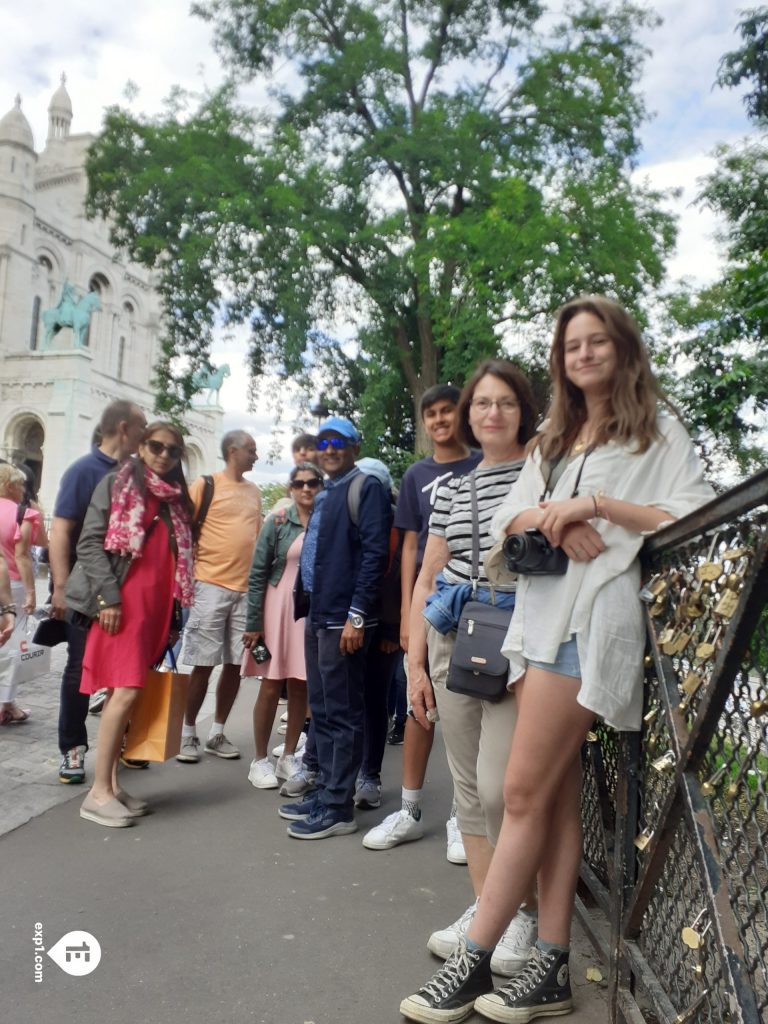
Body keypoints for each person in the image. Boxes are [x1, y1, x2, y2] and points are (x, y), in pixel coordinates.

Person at [400, 296, 716, 1024]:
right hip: (539, 620)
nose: (583, 354)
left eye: (596, 341)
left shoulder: (656, 430)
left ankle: (475, 956)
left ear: (622, 347)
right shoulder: (557, 436)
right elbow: (511, 517)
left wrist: (598, 507)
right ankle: (549, 967)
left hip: (593, 623)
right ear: (560, 358)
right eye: (571, 344)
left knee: (518, 793)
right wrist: (551, 515)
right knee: (553, 797)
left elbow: (692, 516)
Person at [393, 361, 540, 982]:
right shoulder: (451, 488)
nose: (492, 413)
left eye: (506, 402)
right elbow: (428, 576)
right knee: (468, 788)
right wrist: (416, 662)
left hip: (516, 643)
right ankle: (488, 912)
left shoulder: (542, 475)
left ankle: (523, 915)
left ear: (523, 411)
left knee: (505, 784)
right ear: (468, 414)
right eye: (483, 403)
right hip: (453, 640)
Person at [362, 384, 480, 857]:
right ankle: (409, 810)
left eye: (446, 411)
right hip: (429, 600)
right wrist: (409, 615)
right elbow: (410, 544)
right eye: (429, 414)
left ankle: (461, 817)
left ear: (460, 414)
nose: (438, 420)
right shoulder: (417, 474)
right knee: (419, 703)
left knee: (465, 710)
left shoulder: (482, 463)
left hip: (475, 602)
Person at [66, 422, 195, 827]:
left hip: (154, 609)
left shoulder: (174, 500)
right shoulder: (118, 483)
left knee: (131, 697)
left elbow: (175, 562)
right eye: (156, 446)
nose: (163, 454)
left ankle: (113, 785)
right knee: (123, 693)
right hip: (122, 604)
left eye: (172, 451)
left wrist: (175, 614)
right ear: (141, 446)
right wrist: (108, 598)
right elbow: (88, 542)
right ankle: (97, 793)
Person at [278, 416, 392, 840]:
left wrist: (357, 615)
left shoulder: (368, 488)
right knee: (322, 710)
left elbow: (375, 555)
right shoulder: (328, 491)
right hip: (318, 616)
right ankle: (327, 789)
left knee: (342, 712)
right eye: (323, 441)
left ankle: (339, 807)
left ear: (354, 446)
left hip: (343, 619)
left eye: (338, 441)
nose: (328, 448)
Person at [50, 400, 148, 782]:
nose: (146, 433)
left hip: (129, 595)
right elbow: (61, 530)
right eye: (142, 427)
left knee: (123, 672)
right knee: (79, 670)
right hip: (86, 592)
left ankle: (122, 742)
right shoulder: (84, 471)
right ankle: (72, 749)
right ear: (124, 428)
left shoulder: (139, 474)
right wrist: (59, 587)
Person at [177, 430, 262, 763]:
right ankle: (188, 734)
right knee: (202, 663)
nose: (256, 456)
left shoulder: (254, 492)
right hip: (208, 585)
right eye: (251, 450)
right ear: (233, 451)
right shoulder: (205, 485)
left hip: (245, 590)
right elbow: (184, 532)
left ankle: (217, 732)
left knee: (234, 664)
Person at [242, 461, 323, 789]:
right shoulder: (277, 520)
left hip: (308, 612)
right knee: (272, 683)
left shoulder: (325, 521)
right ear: (291, 487)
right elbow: (258, 573)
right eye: (300, 483)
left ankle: (288, 755)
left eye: (313, 482)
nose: (306, 488)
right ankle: (259, 759)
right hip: (276, 611)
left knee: (302, 682)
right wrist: (253, 624)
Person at [0, 464, 42, 723]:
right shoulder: (22, 514)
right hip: (13, 584)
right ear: (11, 486)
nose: (23, 490)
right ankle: (4, 703)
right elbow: (23, 556)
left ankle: (9, 703)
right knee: (13, 644)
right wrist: (31, 592)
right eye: (21, 485)